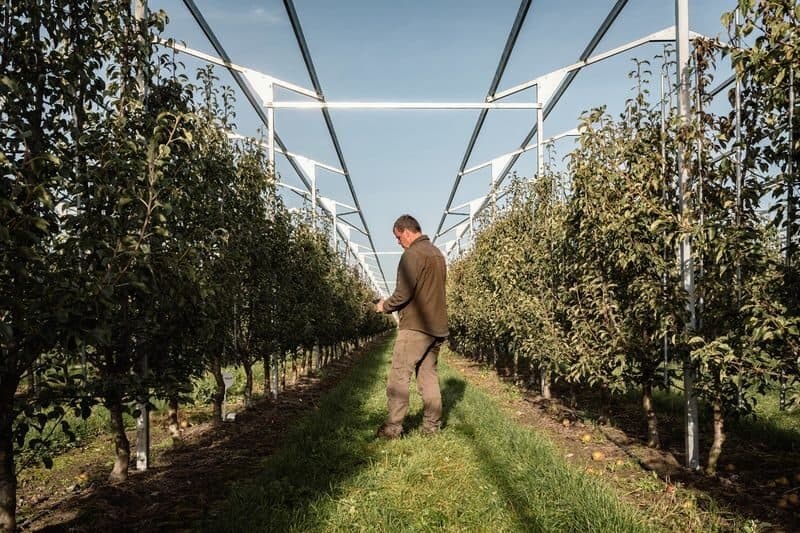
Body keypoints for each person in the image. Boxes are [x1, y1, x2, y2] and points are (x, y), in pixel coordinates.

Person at [375, 214, 448, 439]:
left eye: (398, 237)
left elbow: (403, 293)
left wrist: (384, 306)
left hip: (416, 326)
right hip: (437, 327)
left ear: (407, 232)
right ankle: (431, 429)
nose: (398, 242)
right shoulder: (437, 253)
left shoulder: (412, 255)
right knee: (428, 378)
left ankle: (392, 429)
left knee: (399, 376)